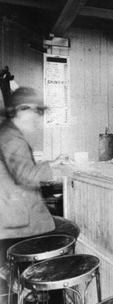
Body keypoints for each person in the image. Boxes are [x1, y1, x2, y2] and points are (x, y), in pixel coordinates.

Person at [0, 87, 71, 278]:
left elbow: (19, 168)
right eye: (36, 111)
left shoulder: (8, 132)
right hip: (16, 224)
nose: (38, 118)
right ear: (20, 110)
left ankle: (18, 277)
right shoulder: (11, 137)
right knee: (69, 232)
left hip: (11, 218)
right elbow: (25, 176)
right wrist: (51, 168)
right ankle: (33, 284)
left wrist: (51, 164)